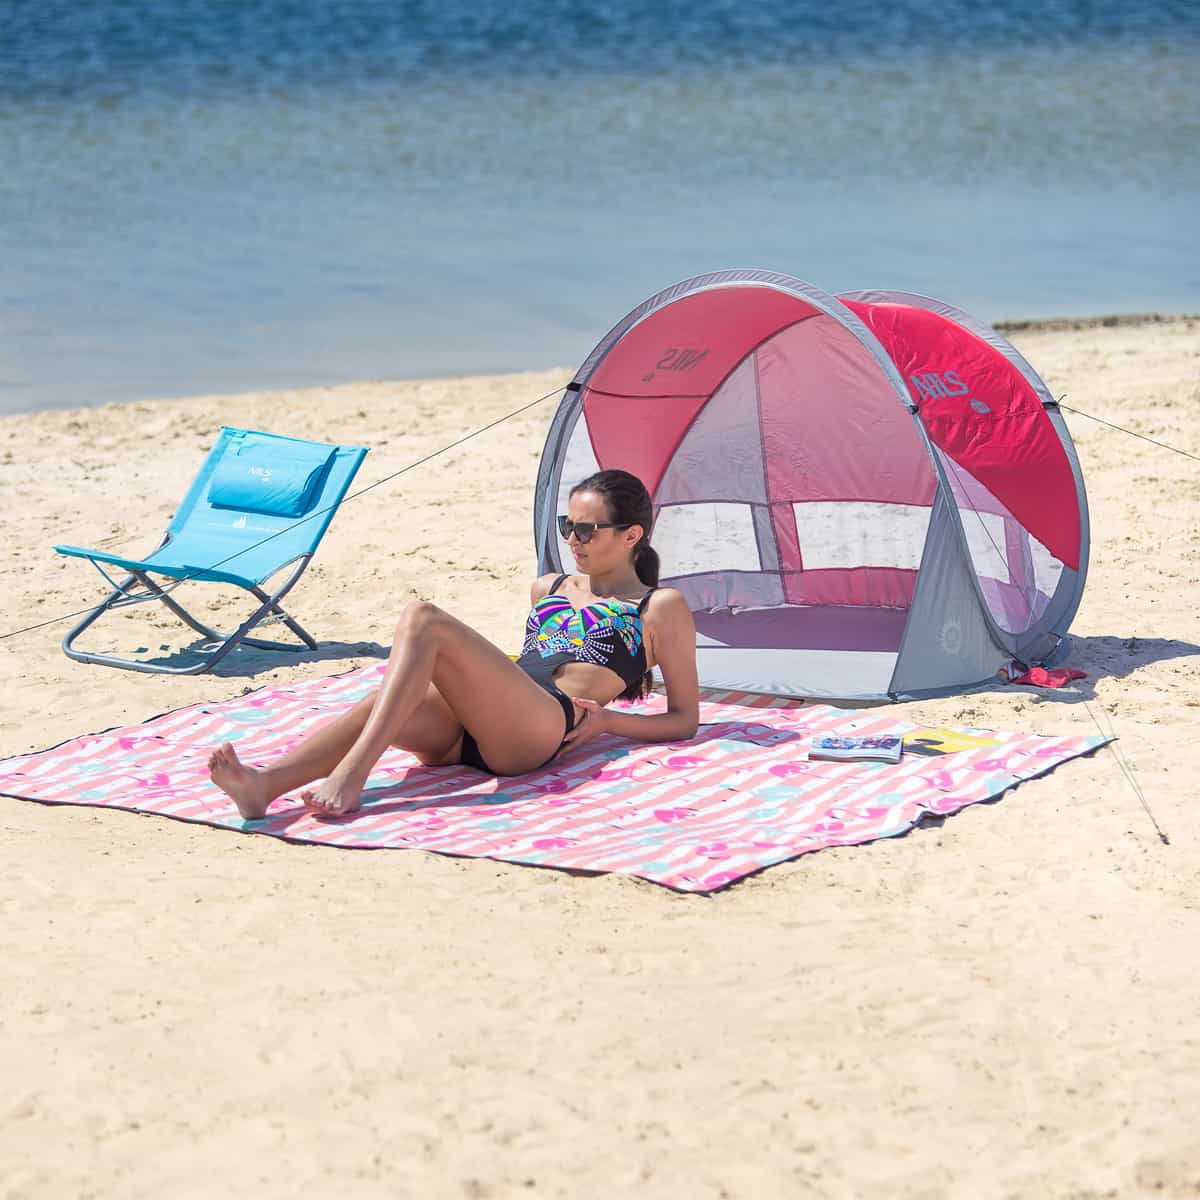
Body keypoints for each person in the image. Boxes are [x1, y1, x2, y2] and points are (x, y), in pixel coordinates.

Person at [208, 468, 699, 818]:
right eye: (567, 526)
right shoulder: (547, 587)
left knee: (423, 618)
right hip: (481, 724)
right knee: (386, 700)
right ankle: (264, 785)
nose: (573, 539)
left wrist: (609, 722)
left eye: (587, 530)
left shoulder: (659, 606)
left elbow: (684, 719)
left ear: (631, 535)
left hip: (538, 729)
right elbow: (525, 667)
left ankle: (352, 774)